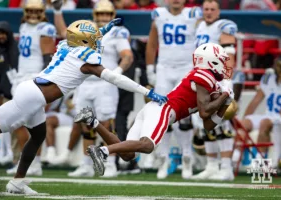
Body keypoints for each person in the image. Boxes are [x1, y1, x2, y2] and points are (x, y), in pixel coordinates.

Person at [0, 19, 166, 194]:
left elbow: (84, 40)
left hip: (33, 94)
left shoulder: (67, 45)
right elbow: (115, 78)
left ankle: (17, 183)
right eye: (94, 39)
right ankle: (18, 181)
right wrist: (146, 92)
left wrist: (104, 30)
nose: (97, 42)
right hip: (31, 98)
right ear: (84, 41)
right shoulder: (87, 61)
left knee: (38, 135)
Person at [76, 43, 234, 177]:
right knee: (147, 145)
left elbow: (208, 125)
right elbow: (204, 112)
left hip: (154, 109)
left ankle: (93, 121)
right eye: (221, 60)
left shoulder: (207, 80)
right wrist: (225, 94)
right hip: (163, 109)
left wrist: (225, 103)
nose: (224, 64)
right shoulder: (204, 75)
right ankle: (102, 151)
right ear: (211, 61)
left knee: (127, 154)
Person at [51, 0, 134, 178]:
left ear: (112, 16)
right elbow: (62, 33)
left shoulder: (117, 32)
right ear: (95, 15)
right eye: (101, 14)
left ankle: (111, 163)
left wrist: (117, 72)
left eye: (107, 14)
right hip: (84, 83)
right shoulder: (86, 31)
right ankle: (87, 164)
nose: (104, 18)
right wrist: (57, 12)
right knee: (85, 124)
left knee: (107, 124)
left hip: (105, 84)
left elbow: (127, 56)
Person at [145, 0, 202, 179]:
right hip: (164, 68)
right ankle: (164, 158)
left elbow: (202, 43)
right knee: (163, 115)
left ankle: (187, 157)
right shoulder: (159, 15)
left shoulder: (193, 15)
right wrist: (149, 68)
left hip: (186, 68)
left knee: (184, 116)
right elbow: (152, 44)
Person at [191, 0, 243, 181]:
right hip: (205, 80)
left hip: (219, 81)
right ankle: (212, 166)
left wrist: (227, 82)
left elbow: (229, 57)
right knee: (204, 122)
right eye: (206, 9)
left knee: (222, 122)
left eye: (213, 9)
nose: (209, 12)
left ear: (219, 11)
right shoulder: (200, 26)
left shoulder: (224, 26)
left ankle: (226, 167)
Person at [6, 0, 57, 176]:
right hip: (21, 78)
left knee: (31, 124)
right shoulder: (24, 27)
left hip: (34, 77)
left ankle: (33, 163)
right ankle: (30, 162)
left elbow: (48, 58)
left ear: (43, 12)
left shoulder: (45, 28)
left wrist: (45, 82)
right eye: (30, 11)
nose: (34, 14)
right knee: (21, 123)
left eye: (37, 11)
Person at [242, 50, 281, 166]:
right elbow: (255, 101)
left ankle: (260, 159)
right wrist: (245, 118)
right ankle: (235, 157)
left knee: (264, 123)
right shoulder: (269, 78)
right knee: (244, 124)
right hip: (271, 115)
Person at [0, 21, 19, 165]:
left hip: (22, 95)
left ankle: (25, 161)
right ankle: (14, 159)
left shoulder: (17, 49)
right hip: (7, 97)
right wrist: (1, 90)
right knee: (10, 129)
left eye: (3, 33)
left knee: (23, 129)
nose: (1, 36)